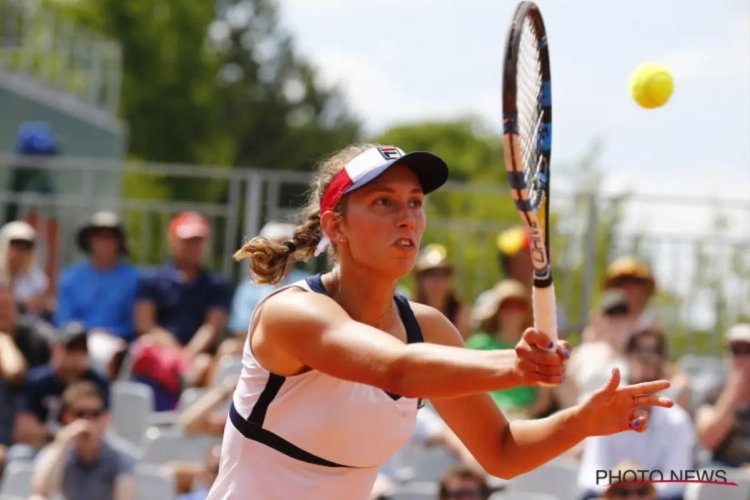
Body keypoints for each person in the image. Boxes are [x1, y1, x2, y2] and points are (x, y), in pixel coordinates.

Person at [207, 144, 674, 500]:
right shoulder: (291, 313)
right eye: (384, 203)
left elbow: (502, 450)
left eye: (414, 202)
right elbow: (399, 370)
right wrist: (517, 365)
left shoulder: (428, 329)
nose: (408, 218)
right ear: (336, 227)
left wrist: (582, 420)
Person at [30, 381, 137, 500]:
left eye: (95, 414)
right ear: (68, 418)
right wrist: (62, 445)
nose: (88, 421)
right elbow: (42, 490)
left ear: (105, 418)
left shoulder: (121, 455)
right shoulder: (60, 450)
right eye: (80, 414)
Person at [467, 279, 553, 418]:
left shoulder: (537, 349)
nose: (513, 312)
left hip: (522, 416)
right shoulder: (478, 345)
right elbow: (466, 386)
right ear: (497, 310)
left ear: (527, 311)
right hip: (484, 415)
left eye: (519, 306)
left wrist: (523, 414)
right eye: (507, 306)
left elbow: (543, 399)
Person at [695, 323, 750, 469]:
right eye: (736, 350)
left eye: (747, 350)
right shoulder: (713, 392)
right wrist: (734, 391)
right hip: (722, 468)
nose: (742, 357)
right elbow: (708, 439)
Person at [412, 244, 471, 339]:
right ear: (419, 279)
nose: (437, 280)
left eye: (443, 273)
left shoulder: (459, 310)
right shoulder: (408, 308)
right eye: (430, 274)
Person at [0, 220, 52, 317]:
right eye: (16, 246)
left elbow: (42, 305)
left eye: (26, 247)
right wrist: (23, 305)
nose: (21, 252)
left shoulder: (37, 279)